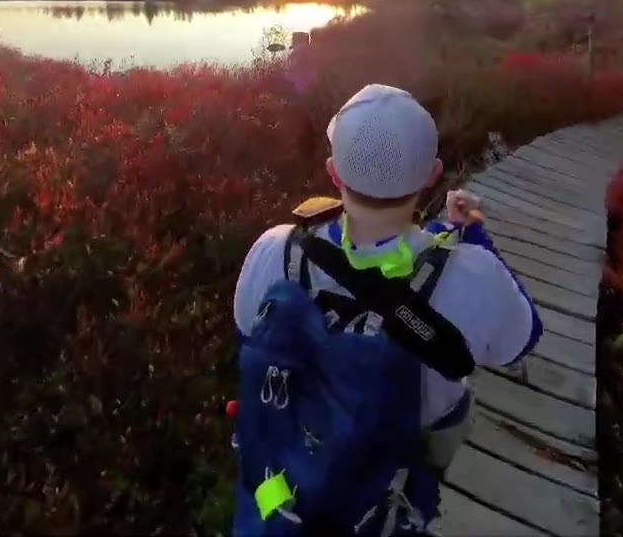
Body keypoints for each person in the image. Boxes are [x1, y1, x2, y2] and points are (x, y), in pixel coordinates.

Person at [231, 83, 544, 535]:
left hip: (285, 486)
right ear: (433, 175)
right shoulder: (472, 275)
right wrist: (473, 234)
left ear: (334, 174)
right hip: (384, 497)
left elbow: (248, 332)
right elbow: (524, 338)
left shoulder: (275, 250)